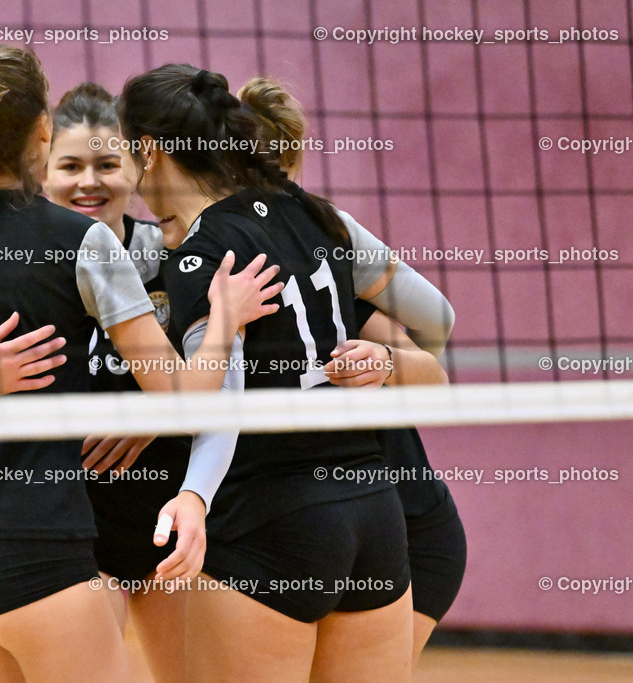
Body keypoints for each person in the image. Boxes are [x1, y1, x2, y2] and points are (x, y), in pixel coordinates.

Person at [0, 45, 282, 683]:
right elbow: (184, 396)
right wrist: (225, 323)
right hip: (36, 545)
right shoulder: (81, 240)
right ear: (42, 132)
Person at [119, 63, 420, 681]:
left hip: (271, 515)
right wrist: (388, 361)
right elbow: (432, 316)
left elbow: (217, 406)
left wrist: (194, 495)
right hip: (372, 508)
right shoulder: (311, 213)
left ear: (148, 152)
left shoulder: (206, 251)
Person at [241, 76, 467, 665]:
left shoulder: (333, 269)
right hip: (313, 528)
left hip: (410, 528)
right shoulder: (208, 270)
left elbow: (435, 367)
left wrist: (385, 364)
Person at [44, 82, 188, 682]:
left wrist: (152, 416)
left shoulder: (175, 252)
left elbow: (222, 370)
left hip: (165, 509)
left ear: (137, 165)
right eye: (70, 165)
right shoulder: (29, 259)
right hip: (67, 515)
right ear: (42, 170)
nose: (89, 182)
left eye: (107, 164)